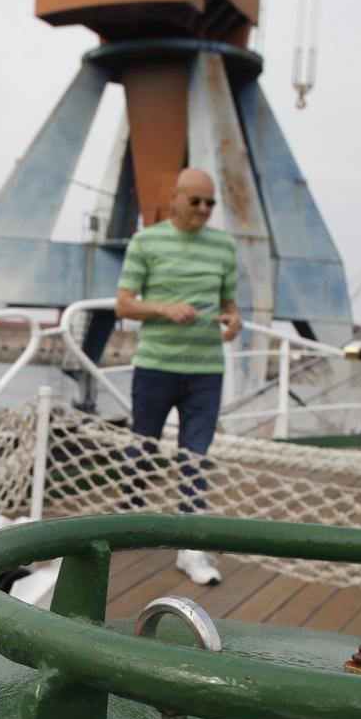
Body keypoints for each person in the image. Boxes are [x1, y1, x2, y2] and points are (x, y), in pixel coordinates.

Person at [115, 165, 242, 586]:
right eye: (196, 201)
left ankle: (190, 549)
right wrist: (164, 308)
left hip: (206, 370)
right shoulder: (146, 241)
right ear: (175, 199)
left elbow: (229, 301)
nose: (204, 209)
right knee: (143, 449)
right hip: (156, 366)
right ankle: (124, 529)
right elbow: (124, 304)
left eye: (210, 203)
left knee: (195, 458)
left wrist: (233, 320)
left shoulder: (223, 246)